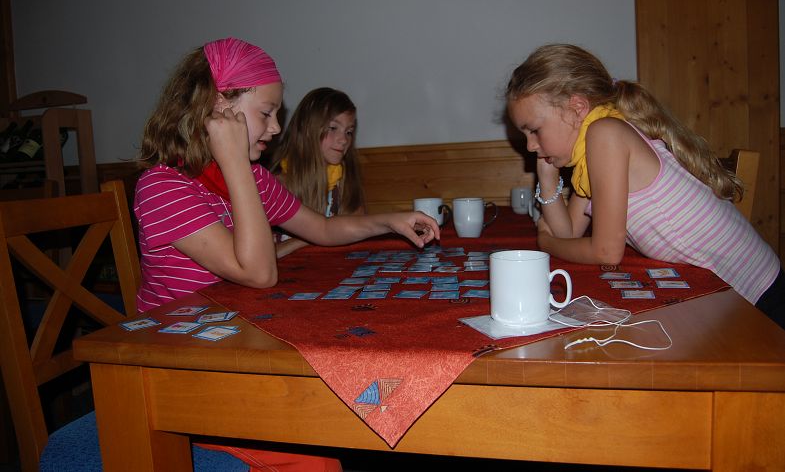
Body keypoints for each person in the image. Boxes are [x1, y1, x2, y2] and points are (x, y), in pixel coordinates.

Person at [133, 37, 439, 471]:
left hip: (239, 350)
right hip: (180, 374)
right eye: (266, 113)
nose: (277, 128)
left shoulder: (253, 178)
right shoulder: (163, 187)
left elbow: (322, 228)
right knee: (317, 447)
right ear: (218, 109)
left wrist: (388, 221)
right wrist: (235, 162)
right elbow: (259, 273)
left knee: (355, 406)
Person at [504, 43, 784, 329]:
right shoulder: (593, 150)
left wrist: (546, 242)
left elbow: (606, 252)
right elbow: (570, 233)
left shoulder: (606, 135)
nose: (530, 145)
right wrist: (548, 181)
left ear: (577, 108)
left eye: (534, 130)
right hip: (730, 291)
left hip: (759, 294)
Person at [270, 87, 365, 257]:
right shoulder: (275, 185)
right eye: (333, 128)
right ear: (307, 129)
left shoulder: (344, 182)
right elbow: (263, 256)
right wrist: (320, 235)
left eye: (349, 132)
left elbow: (360, 230)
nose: (344, 140)